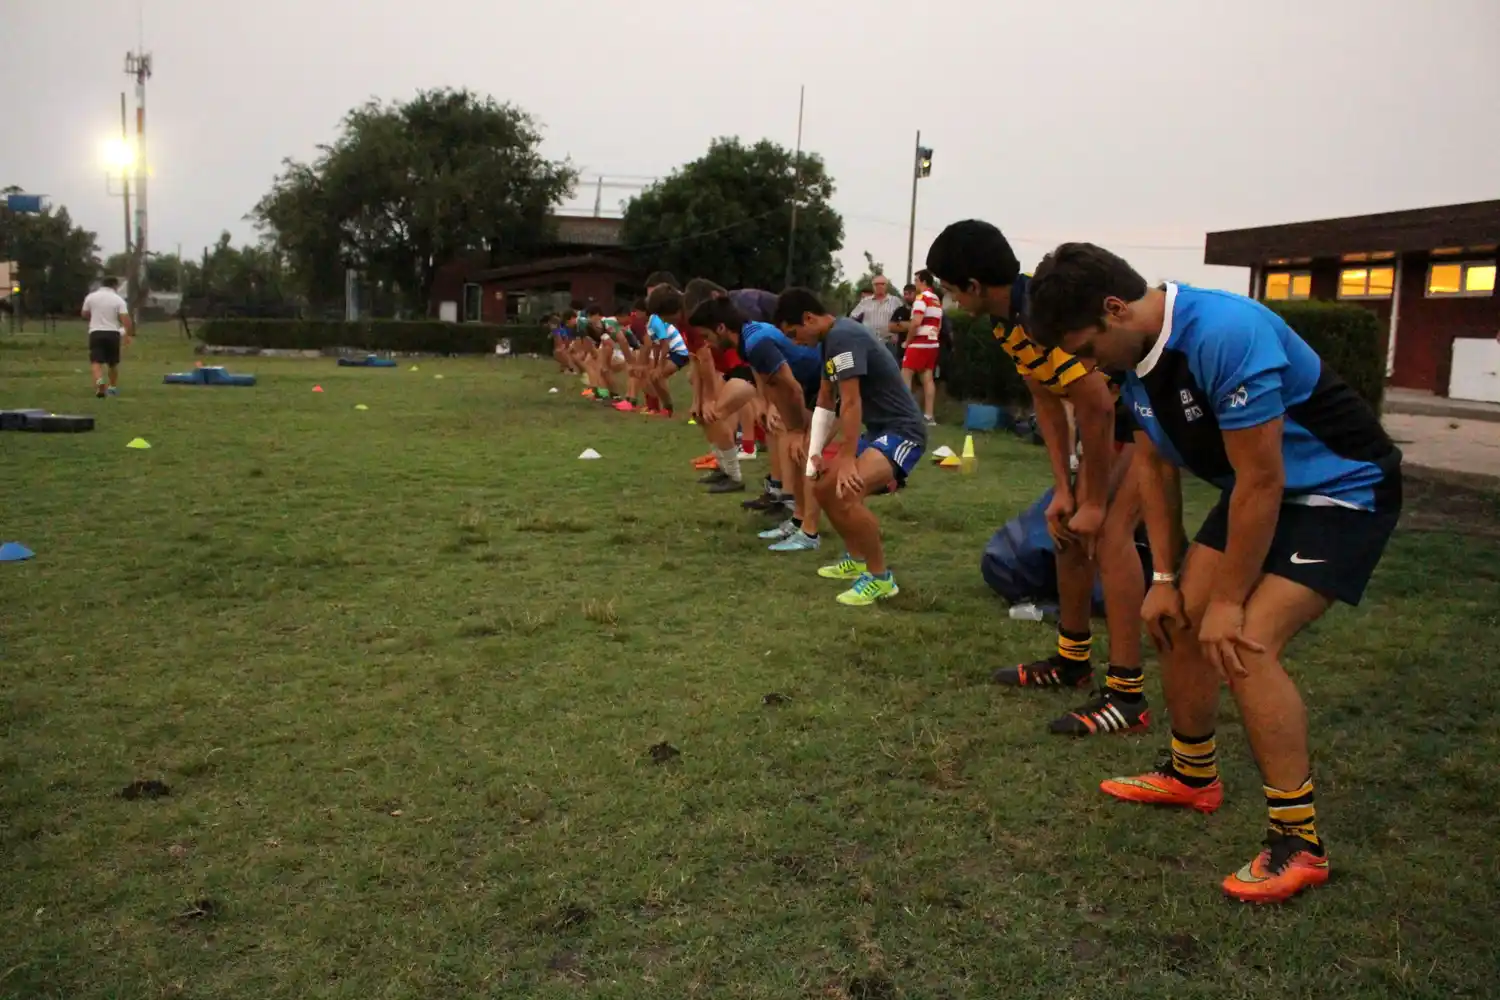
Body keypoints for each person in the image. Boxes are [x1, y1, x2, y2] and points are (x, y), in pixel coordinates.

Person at [1025, 241, 1403, 904]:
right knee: (1173, 621)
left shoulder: (1225, 332)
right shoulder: (1135, 360)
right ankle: (1193, 774)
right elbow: (1155, 468)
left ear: (1115, 310)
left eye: (1084, 349)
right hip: (1265, 494)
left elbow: (1261, 478)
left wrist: (1229, 600)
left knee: (1243, 642)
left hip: (1342, 490)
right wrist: (1166, 577)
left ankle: (1298, 843)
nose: (1085, 367)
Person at [927, 220, 1152, 737]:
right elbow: (1048, 401)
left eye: (947, 286)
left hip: (1141, 421)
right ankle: (1072, 663)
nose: (947, 297)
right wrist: (1066, 490)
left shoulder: (1038, 313)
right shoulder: (1008, 324)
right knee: (1067, 528)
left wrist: (1094, 498)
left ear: (974, 287)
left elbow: (1096, 404)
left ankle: (1127, 695)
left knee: (1110, 534)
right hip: (1104, 428)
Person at [775, 288, 927, 606]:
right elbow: (827, 400)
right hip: (878, 431)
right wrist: (814, 447)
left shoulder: (844, 336)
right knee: (823, 489)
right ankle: (856, 560)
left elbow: (852, 401)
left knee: (845, 491)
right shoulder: (831, 341)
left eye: (794, 333)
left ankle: (881, 579)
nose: (795, 341)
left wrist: (846, 458)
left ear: (809, 318)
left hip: (903, 431)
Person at [693, 295, 826, 544]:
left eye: (707, 336)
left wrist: (794, 424)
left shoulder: (756, 341)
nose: (707, 343)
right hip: (806, 383)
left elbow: (793, 387)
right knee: (794, 450)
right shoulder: (747, 338)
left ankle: (809, 532)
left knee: (804, 451)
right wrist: (766, 404)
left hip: (818, 382)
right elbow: (762, 373)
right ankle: (798, 522)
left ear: (721, 328)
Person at [900, 270, 943, 426]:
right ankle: (929, 416)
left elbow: (916, 322)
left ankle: (905, 414)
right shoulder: (936, 299)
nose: (916, 283)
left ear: (923, 281)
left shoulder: (921, 298)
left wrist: (907, 341)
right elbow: (939, 324)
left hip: (919, 342)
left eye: (917, 280)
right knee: (928, 378)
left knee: (905, 374)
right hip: (932, 342)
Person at [643, 285, 693, 419]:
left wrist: (659, 366)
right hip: (673, 351)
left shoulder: (655, 322)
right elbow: (656, 346)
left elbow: (664, 344)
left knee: (658, 376)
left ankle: (665, 408)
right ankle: (661, 408)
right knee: (653, 376)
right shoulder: (650, 323)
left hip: (680, 352)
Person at [81, 277, 132, 398]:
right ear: (115, 286)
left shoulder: (91, 297)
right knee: (113, 363)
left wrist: (94, 317)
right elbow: (125, 318)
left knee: (96, 361)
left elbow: (84, 313)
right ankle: (112, 388)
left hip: (96, 332)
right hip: (112, 333)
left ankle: (100, 382)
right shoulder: (118, 299)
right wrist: (128, 334)